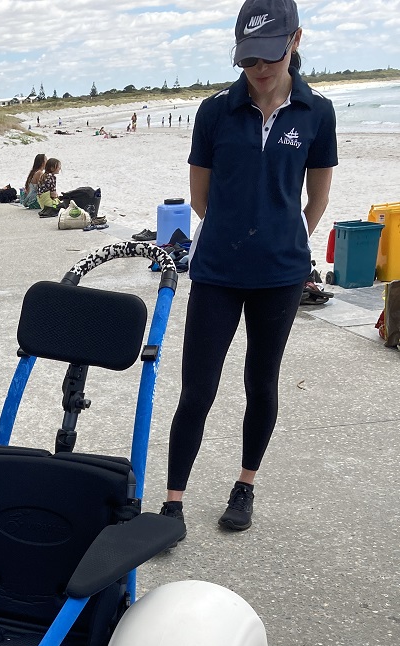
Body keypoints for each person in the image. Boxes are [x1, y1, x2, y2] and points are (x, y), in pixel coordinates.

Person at [160, 0, 336, 537]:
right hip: (217, 270)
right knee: (198, 389)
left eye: (270, 56)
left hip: (281, 275)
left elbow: (317, 196)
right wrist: (236, 235)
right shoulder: (215, 112)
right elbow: (200, 196)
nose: (259, 69)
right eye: (248, 59)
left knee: (261, 382)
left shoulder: (317, 112)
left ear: (296, 41)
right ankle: (172, 502)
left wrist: (284, 237)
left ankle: (245, 484)